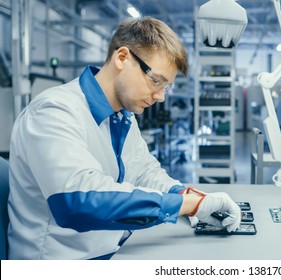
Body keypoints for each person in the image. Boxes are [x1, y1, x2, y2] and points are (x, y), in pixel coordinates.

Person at [7, 17, 241, 260]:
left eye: (166, 87)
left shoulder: (122, 116)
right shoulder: (55, 110)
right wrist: (186, 206)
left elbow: (144, 172)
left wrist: (189, 197)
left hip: (113, 249)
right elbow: (77, 201)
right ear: (122, 58)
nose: (160, 96)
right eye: (156, 81)